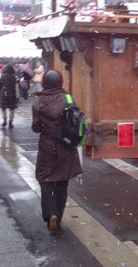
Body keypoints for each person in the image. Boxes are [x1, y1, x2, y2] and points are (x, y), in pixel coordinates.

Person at [32, 70, 82, 232]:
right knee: (62, 180)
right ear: (60, 82)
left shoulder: (38, 102)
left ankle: (50, 212)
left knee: (44, 178)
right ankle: (58, 216)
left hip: (47, 146)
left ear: (45, 83)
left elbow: (36, 128)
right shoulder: (67, 99)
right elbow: (76, 120)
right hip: (66, 145)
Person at [0, 63, 18, 128]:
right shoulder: (13, 76)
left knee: (3, 108)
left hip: (4, 93)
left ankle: (4, 119)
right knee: (12, 109)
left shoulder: (3, 76)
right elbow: (16, 86)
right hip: (12, 93)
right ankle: (10, 122)